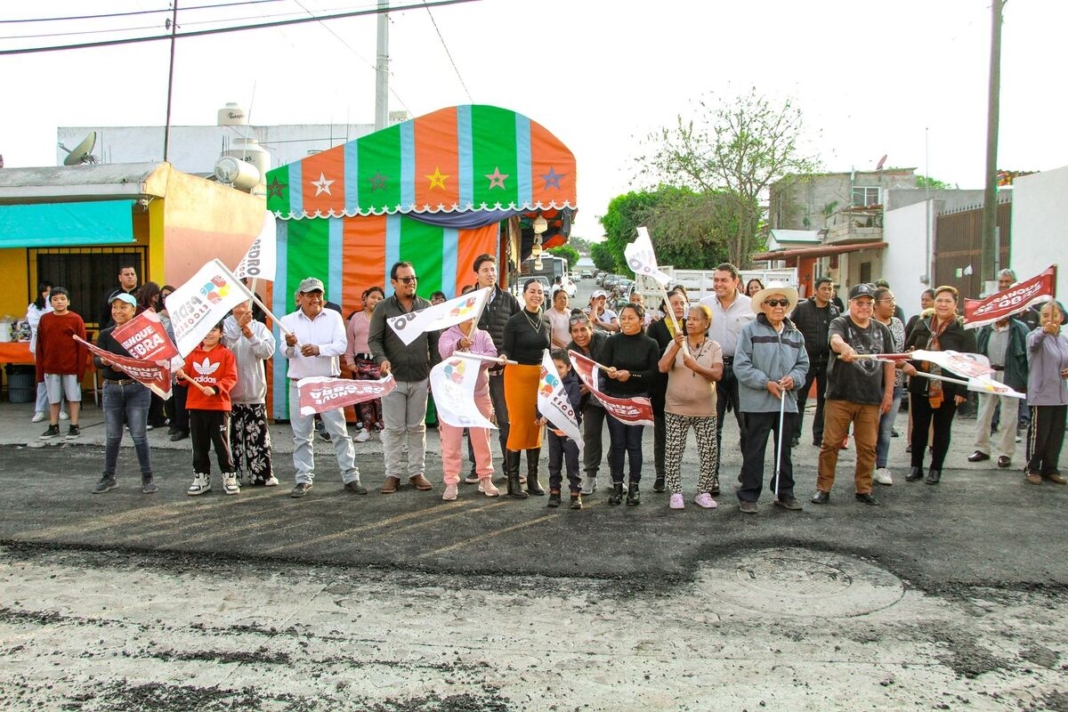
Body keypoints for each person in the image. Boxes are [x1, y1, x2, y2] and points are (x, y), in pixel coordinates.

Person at [280, 277, 366, 499]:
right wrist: (290, 345)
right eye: (310, 294)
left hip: (327, 382)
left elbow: (341, 345)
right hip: (300, 384)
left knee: (339, 432)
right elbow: (284, 352)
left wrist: (319, 349)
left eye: (318, 294)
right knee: (301, 435)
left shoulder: (333, 317)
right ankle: (303, 479)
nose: (315, 299)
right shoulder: (288, 321)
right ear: (300, 297)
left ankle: (350, 476)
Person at [811, 284, 895, 507]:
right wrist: (844, 347)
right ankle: (823, 488)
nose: (864, 307)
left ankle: (864, 488)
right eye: (860, 303)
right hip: (840, 395)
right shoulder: (840, 322)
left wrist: (888, 393)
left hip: (870, 398)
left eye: (868, 303)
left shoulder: (882, 330)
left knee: (868, 446)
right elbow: (834, 340)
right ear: (850, 304)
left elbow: (889, 362)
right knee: (830, 444)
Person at [734, 283, 809, 513]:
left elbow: (803, 365)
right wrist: (766, 382)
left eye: (783, 303)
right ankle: (749, 494)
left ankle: (784, 492)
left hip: (787, 402)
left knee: (784, 449)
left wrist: (793, 380)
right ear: (764, 306)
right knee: (755, 449)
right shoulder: (750, 331)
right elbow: (741, 365)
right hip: (758, 402)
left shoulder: (795, 334)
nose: (778, 307)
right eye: (773, 302)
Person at [368, 262, 439, 494]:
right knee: (394, 429)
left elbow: (434, 343)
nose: (411, 282)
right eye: (406, 279)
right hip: (393, 378)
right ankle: (393, 474)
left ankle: (416, 473)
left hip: (420, 377)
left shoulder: (426, 307)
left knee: (417, 428)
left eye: (413, 278)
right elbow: (374, 340)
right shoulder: (383, 308)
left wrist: (434, 371)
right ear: (393, 282)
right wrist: (381, 360)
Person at [903, 286, 976, 485]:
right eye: (940, 300)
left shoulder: (963, 328)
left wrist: (963, 389)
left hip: (949, 388)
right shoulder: (923, 323)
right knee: (919, 428)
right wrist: (910, 360)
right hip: (921, 384)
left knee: (942, 429)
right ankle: (915, 467)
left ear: (955, 304)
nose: (943, 304)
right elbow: (908, 349)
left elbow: (970, 361)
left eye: (947, 301)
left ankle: (936, 469)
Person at [658, 304, 723, 510]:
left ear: (706, 323)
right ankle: (675, 491)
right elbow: (662, 367)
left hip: (705, 409)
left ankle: (703, 491)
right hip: (676, 408)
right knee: (674, 450)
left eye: (696, 319)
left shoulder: (714, 347)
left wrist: (696, 367)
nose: (690, 322)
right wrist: (676, 346)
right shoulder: (675, 343)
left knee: (709, 451)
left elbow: (717, 374)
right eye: (689, 318)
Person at [91, 293, 156, 495]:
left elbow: (150, 360)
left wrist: (126, 365)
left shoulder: (144, 334)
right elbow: (96, 359)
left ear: (133, 310)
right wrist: (105, 362)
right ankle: (109, 477)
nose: (118, 311)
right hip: (111, 388)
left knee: (138, 435)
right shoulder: (105, 334)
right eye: (115, 307)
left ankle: (147, 477)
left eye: (123, 307)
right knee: (112, 436)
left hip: (137, 388)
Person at [599, 302, 660, 506]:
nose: (625, 322)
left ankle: (634, 487)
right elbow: (601, 369)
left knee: (634, 445)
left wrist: (631, 375)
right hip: (615, 399)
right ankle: (617, 486)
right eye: (623, 318)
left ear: (641, 320)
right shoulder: (612, 341)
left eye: (630, 318)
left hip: (638, 399)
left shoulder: (650, 343)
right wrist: (611, 372)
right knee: (617, 444)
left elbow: (654, 375)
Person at [700, 263, 754, 481]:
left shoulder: (751, 306)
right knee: (713, 427)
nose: (718, 284)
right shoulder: (704, 305)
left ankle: (748, 476)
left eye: (723, 280)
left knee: (747, 427)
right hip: (714, 371)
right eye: (716, 280)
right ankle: (711, 478)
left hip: (743, 371)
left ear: (736, 282)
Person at [437, 313, 501, 500]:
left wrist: (472, 357)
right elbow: (445, 353)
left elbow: (493, 356)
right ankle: (451, 482)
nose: (470, 320)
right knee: (451, 440)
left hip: (479, 394)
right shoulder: (447, 335)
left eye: (473, 316)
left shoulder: (483, 335)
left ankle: (485, 478)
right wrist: (458, 345)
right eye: (466, 316)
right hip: (453, 396)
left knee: (482, 439)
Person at [501, 278, 552, 498]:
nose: (536, 295)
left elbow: (548, 354)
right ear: (524, 294)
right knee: (520, 424)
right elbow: (506, 350)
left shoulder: (547, 322)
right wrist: (502, 357)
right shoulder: (514, 321)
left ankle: (533, 478)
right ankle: (513, 482)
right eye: (532, 291)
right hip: (517, 375)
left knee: (536, 424)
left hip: (540, 377)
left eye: (540, 292)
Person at [178, 323, 239, 496]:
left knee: (222, 444)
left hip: (219, 407)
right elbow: (184, 379)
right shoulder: (191, 355)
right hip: (196, 406)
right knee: (199, 444)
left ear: (221, 333)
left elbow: (231, 378)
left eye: (213, 330)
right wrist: (180, 376)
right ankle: (201, 478)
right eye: (205, 330)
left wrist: (215, 388)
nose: (209, 334)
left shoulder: (226, 354)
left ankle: (229, 476)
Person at [474, 254, 521, 479]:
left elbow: (518, 330)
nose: (491, 273)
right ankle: (478, 468)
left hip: (503, 370)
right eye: (486, 270)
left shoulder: (509, 299)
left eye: (493, 269)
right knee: (476, 420)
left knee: (505, 419)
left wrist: (506, 354)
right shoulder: (468, 299)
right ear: (477, 274)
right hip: (476, 372)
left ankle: (509, 468)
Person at [223, 301, 278, 486]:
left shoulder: (259, 327)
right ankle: (233, 476)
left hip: (255, 393)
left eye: (244, 301)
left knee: (259, 438)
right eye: (236, 301)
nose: (240, 305)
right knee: (232, 439)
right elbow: (223, 349)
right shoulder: (224, 326)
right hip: (230, 395)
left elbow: (267, 352)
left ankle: (262, 475)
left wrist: (252, 336)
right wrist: (238, 328)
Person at [967, 314, 1029, 469]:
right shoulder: (985, 328)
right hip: (988, 372)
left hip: (1010, 374)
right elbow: (978, 351)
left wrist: (1023, 380)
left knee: (1009, 415)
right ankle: (981, 448)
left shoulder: (1020, 329)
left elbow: (1026, 356)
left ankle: (1005, 453)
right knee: (984, 413)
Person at [647, 288, 689, 493]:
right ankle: (661, 474)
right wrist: (674, 345)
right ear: (665, 307)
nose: (679, 307)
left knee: (681, 435)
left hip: (688, 385)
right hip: (662, 386)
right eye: (674, 303)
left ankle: (676, 474)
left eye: (682, 303)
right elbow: (653, 356)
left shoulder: (693, 325)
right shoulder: (655, 328)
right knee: (662, 433)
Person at [789, 276, 839, 447]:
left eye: (830, 289)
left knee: (824, 400)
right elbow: (790, 328)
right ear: (816, 291)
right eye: (824, 288)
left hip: (826, 361)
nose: (827, 292)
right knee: (800, 398)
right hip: (806, 360)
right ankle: (794, 434)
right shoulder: (802, 309)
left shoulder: (834, 312)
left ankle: (819, 436)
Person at [1024, 301, 1068, 485]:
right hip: (1042, 394)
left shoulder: (1065, 340)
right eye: (1045, 315)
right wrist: (1044, 331)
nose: (1050, 319)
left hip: (1061, 395)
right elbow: (1033, 344)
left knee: (1056, 434)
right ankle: (1032, 468)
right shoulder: (1035, 336)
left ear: (1062, 318)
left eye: (1054, 315)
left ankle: (1051, 468)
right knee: (1039, 434)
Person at [34, 287, 87, 441]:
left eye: (63, 299)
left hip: (71, 366)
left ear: (68, 301)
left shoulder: (76, 319)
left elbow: (82, 346)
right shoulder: (45, 320)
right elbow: (40, 345)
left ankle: (74, 426)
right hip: (51, 366)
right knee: (54, 398)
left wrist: (80, 369)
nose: (59, 302)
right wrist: (41, 367)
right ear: (50, 302)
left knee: (73, 397)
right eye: (55, 299)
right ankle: (53, 425)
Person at [566, 313, 608, 495]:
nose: (580, 334)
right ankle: (591, 476)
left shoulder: (604, 342)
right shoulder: (570, 350)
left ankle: (616, 476)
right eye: (575, 331)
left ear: (591, 329)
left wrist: (591, 386)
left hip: (611, 394)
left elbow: (609, 369)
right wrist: (578, 389)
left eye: (583, 329)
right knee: (591, 434)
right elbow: (569, 378)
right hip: (589, 401)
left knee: (618, 437)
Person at [539, 349, 584, 509]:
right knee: (554, 462)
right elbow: (542, 401)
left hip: (569, 430)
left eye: (560, 367)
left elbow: (573, 405)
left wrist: (563, 425)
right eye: (554, 367)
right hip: (553, 431)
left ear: (568, 368)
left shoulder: (572, 385)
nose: (557, 371)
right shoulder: (547, 383)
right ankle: (554, 491)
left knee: (572, 463)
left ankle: (575, 493)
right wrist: (540, 416)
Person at [872, 287, 906, 486]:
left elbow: (899, 351)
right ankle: (866, 464)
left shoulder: (899, 324)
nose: (892, 304)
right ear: (876, 304)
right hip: (872, 384)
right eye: (887, 300)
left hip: (896, 383)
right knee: (869, 428)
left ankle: (881, 466)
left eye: (893, 300)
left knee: (886, 428)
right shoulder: (869, 325)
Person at [345, 286, 385, 442]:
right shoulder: (356, 318)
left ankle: (383, 429)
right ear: (365, 299)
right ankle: (365, 430)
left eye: (380, 298)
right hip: (361, 362)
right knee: (364, 397)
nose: (376, 300)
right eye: (373, 297)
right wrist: (349, 361)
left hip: (380, 362)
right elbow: (350, 341)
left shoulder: (385, 318)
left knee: (381, 398)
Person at [27, 280, 67, 423]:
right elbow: (36, 324)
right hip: (41, 348)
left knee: (59, 379)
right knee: (43, 379)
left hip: (58, 348)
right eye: (45, 291)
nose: (48, 294)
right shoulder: (34, 307)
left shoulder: (60, 305)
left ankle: (61, 409)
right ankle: (40, 410)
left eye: (51, 292)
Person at [138, 282, 170, 430]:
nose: (158, 298)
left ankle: (158, 417)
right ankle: (151, 418)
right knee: (150, 388)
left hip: (158, 353)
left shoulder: (156, 310)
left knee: (157, 388)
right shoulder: (142, 310)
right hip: (148, 353)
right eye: (157, 295)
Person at [99, 263, 139, 329]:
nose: (130, 276)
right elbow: (103, 317)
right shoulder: (111, 294)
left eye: (132, 274)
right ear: (120, 278)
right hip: (114, 333)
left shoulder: (143, 294)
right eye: (127, 274)